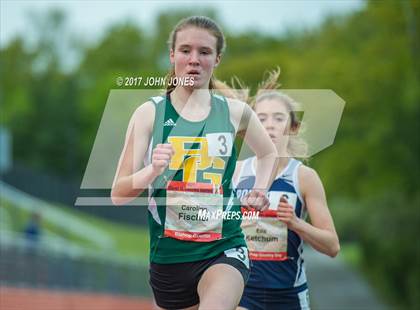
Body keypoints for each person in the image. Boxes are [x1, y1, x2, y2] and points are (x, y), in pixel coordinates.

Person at [111, 16, 278, 310]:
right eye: (186, 50)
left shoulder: (234, 112)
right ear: (172, 55)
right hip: (169, 258)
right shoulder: (149, 114)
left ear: (217, 59)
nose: (194, 60)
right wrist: (152, 170)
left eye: (204, 52)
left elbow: (267, 153)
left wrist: (261, 188)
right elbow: (118, 193)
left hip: (223, 247)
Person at [232, 69, 340, 310]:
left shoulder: (304, 177)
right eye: (261, 119)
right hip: (242, 292)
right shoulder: (237, 173)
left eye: (278, 118)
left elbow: (332, 246)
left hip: (289, 296)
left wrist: (296, 223)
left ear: (293, 127)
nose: (269, 125)